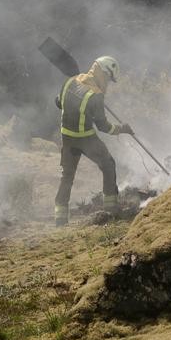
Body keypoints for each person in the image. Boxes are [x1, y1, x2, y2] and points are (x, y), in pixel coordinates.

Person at [53, 56, 134, 226]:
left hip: (67, 138)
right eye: (108, 79)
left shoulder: (70, 81)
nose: (108, 83)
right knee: (108, 164)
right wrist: (122, 129)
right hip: (86, 139)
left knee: (67, 177)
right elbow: (103, 127)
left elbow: (59, 103)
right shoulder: (96, 96)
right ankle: (110, 212)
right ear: (102, 73)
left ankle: (60, 221)